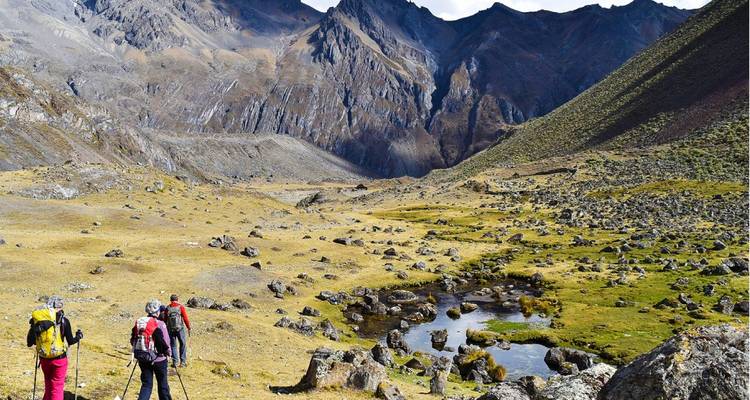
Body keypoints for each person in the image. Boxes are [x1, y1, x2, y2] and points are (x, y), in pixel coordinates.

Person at [26, 295, 83, 400]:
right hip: (59, 359)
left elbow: (31, 341)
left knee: (48, 385)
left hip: (44, 358)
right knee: (57, 387)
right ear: (60, 307)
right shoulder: (64, 321)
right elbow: (70, 340)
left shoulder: (39, 320)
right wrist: (78, 336)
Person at [131, 300, 172, 400]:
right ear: (157, 312)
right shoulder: (161, 324)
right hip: (159, 359)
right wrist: (169, 353)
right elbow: (166, 342)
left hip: (143, 358)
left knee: (146, 385)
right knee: (163, 386)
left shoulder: (141, 323)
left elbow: (133, 340)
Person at [165, 294, 191, 368]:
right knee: (182, 344)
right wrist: (188, 327)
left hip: (171, 329)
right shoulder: (181, 307)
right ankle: (183, 362)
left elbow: (165, 320)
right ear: (177, 299)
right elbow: (185, 318)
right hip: (180, 329)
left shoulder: (168, 308)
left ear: (170, 300)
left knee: (173, 345)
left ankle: (175, 362)